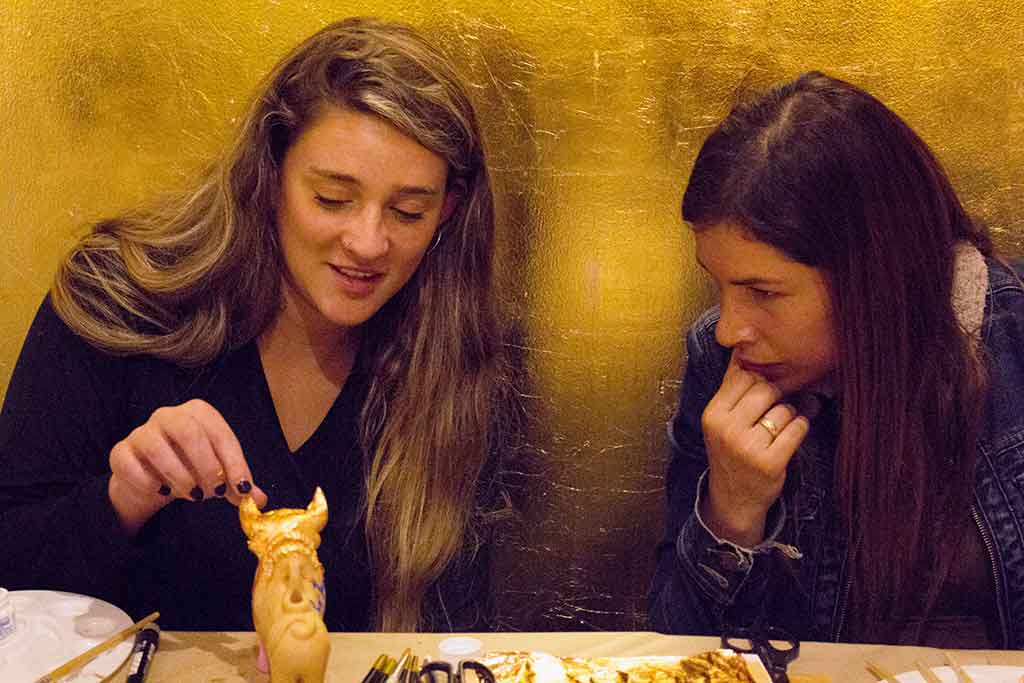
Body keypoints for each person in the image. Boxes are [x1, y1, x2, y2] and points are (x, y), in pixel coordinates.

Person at [0, 16, 510, 633]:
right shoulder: (119, 299)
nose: (369, 242)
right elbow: (13, 560)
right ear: (269, 176)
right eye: (332, 198)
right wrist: (126, 497)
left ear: (446, 213)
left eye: (408, 211)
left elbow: (448, 634)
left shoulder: (451, 361)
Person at [649, 71, 1024, 648]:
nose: (728, 328)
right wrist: (732, 515)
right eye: (718, 286)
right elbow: (681, 652)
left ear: (874, 276)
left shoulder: (1011, 340)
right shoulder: (722, 367)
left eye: (763, 292)